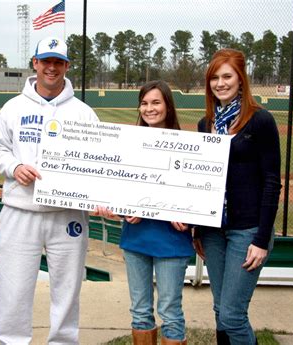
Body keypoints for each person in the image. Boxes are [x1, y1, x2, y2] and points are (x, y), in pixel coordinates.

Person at [0, 37, 99, 344]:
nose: (51, 68)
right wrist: (14, 167)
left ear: (67, 66)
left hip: (67, 216)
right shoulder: (14, 108)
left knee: (67, 290)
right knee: (13, 288)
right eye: (45, 61)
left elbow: (97, 162)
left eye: (58, 62)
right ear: (35, 63)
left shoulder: (83, 112)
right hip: (20, 211)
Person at [194, 48, 281, 345]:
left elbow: (272, 183)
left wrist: (260, 239)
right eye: (214, 78)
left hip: (247, 230)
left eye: (227, 76)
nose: (220, 83)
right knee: (220, 310)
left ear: (241, 79)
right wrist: (198, 228)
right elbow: (202, 180)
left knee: (232, 315)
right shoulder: (206, 125)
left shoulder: (260, 121)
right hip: (214, 231)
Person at [95, 80, 193, 345]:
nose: (149, 109)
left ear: (168, 106)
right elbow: (119, 188)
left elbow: (196, 194)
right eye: (145, 103)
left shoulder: (189, 145)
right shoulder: (128, 143)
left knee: (170, 312)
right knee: (140, 312)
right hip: (136, 238)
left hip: (171, 241)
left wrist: (186, 213)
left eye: (156, 102)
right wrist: (121, 210)